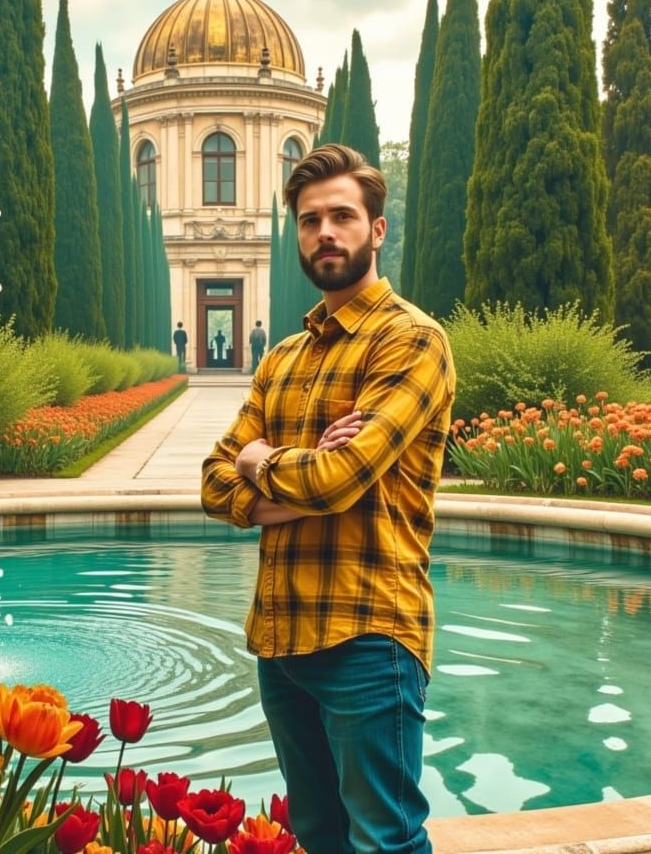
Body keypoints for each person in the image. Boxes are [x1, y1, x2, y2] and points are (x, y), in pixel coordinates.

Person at [201, 144, 454, 854]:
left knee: (385, 842)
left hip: (368, 635)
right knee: (317, 837)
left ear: (376, 229)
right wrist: (283, 470)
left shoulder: (411, 342)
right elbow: (212, 484)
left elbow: (338, 480)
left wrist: (259, 460)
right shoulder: (283, 357)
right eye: (310, 220)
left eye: (343, 215)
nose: (325, 233)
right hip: (280, 639)